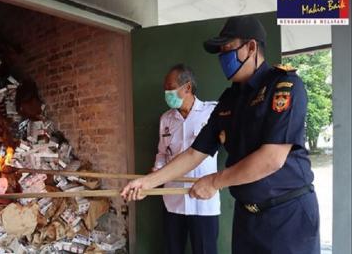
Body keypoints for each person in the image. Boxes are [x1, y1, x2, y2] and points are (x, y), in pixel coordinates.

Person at [121, 15, 320, 254]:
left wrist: (214, 182)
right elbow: (196, 152)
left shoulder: (283, 87)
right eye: (220, 52)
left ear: (251, 47)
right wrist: (148, 182)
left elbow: (272, 159)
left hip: (288, 215)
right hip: (247, 215)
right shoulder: (229, 100)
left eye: (228, 49)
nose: (222, 57)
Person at [156, 64, 220, 254]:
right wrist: (158, 169)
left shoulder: (211, 112)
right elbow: (161, 153)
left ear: (188, 88)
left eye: (170, 87)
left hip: (203, 201)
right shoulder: (166, 119)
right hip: (173, 200)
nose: (167, 92)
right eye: (165, 89)